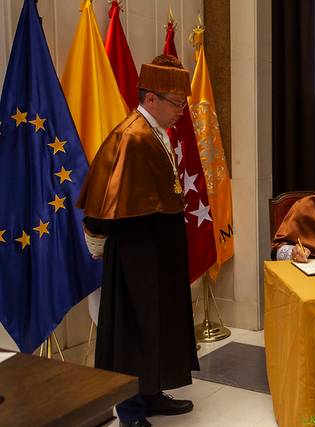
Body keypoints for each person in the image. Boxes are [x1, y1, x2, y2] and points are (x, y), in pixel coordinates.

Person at [77, 55, 198, 427]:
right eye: (177, 103)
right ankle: (130, 412)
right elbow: (103, 201)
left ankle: (151, 394)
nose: (182, 111)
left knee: (157, 323)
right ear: (150, 99)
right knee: (134, 330)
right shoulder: (131, 136)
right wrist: (96, 240)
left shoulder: (156, 131)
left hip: (157, 251)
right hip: (136, 255)